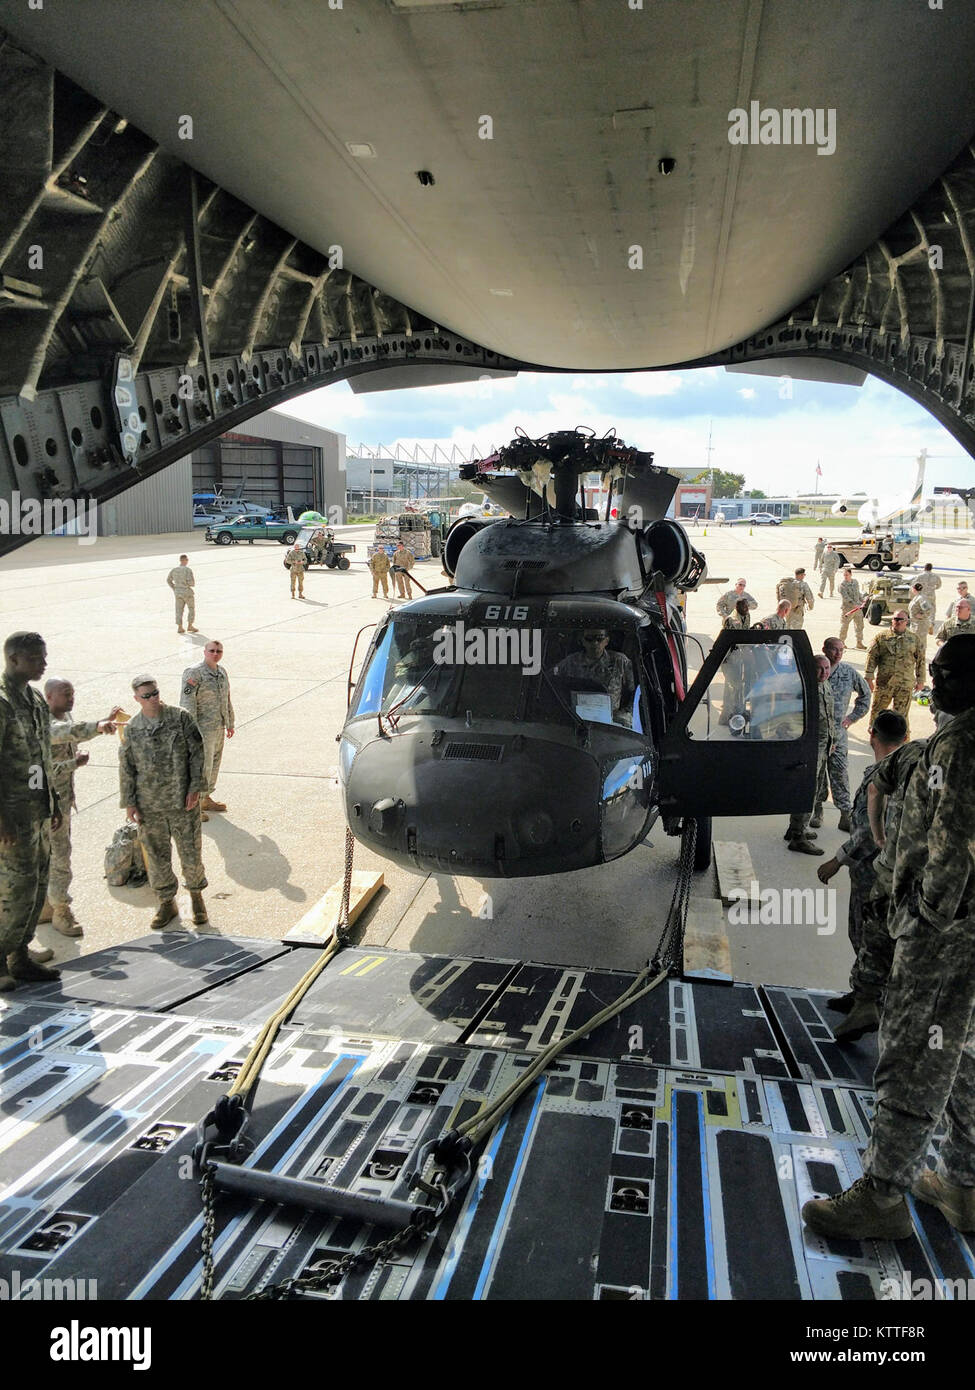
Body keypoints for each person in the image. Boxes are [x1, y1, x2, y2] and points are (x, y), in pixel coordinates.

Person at [802, 636, 975, 1240]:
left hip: (945, 938)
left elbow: (953, 845)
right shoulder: (933, 748)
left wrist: (921, 922)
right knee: (963, 1049)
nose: (936, 682)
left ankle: (882, 1197)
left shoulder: (959, 747)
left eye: (948, 674)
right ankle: (963, 1182)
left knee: (913, 1059)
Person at [815, 711, 909, 1043]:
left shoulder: (883, 775)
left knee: (869, 935)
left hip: (874, 868)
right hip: (883, 867)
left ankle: (869, 1005)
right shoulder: (909, 768)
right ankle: (861, 996)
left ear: (871, 735)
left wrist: (837, 860)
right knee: (867, 934)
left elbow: (871, 828)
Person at [119, 675, 207, 930]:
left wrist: (195, 788)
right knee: (157, 858)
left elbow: (197, 754)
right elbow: (127, 767)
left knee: (191, 853)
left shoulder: (180, 718)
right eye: (146, 696)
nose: (153, 698)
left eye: (155, 693)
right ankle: (166, 901)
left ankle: (196, 897)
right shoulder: (134, 728)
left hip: (183, 803)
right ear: (136, 699)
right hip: (150, 807)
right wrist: (130, 802)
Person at [0, 632, 63, 988]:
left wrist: (49, 801)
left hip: (36, 812)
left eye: (44, 656)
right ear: (13, 660)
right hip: (11, 819)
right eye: (36, 658)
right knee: (12, 889)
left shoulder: (33, 698)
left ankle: (19, 956)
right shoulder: (3, 703)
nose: (43, 663)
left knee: (37, 885)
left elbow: (41, 756)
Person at [41, 679, 121, 938]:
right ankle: (60, 909)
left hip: (61, 799)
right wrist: (75, 762)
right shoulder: (44, 723)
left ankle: (47, 905)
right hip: (47, 803)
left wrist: (102, 721)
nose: (71, 697)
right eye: (66, 694)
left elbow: (71, 729)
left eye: (73, 693)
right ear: (49, 697)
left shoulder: (63, 715)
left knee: (50, 855)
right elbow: (54, 759)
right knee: (59, 855)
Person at [814, 637, 870, 832]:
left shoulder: (848, 672)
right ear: (825, 649)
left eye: (841, 650)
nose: (838, 654)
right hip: (817, 734)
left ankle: (845, 814)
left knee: (839, 773)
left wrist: (851, 718)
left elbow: (865, 695)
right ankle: (817, 809)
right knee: (817, 775)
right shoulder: (816, 669)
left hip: (838, 734)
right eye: (834, 650)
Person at [784, 654, 834, 854]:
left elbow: (829, 717)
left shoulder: (825, 686)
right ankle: (798, 837)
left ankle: (795, 828)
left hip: (823, 746)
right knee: (807, 791)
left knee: (816, 789)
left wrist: (833, 741)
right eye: (819, 669)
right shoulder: (803, 689)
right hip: (809, 748)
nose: (824, 673)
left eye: (827, 668)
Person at [180, 641, 235, 820]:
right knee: (201, 767)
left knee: (214, 764)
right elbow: (187, 703)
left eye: (219, 651)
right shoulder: (194, 673)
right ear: (204, 652)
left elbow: (227, 698)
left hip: (218, 727)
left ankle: (205, 798)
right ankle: (194, 805)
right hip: (202, 729)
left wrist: (230, 722)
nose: (215, 654)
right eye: (211, 651)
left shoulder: (221, 672)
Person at [552, 629, 635, 728]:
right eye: (589, 639)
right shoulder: (570, 662)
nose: (595, 643)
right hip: (576, 721)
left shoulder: (620, 662)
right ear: (582, 641)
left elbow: (634, 693)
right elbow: (550, 681)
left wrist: (625, 714)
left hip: (611, 723)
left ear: (607, 641)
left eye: (599, 639)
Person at [864, 612, 924, 730]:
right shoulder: (881, 637)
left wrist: (920, 680)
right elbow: (872, 657)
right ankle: (875, 733)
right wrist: (868, 677)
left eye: (902, 619)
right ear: (892, 620)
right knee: (878, 711)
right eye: (896, 619)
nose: (898, 621)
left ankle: (901, 738)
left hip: (905, 684)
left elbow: (921, 661)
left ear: (907, 621)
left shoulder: (914, 639)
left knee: (901, 715)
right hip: (884, 683)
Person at [837, 567, 867, 648]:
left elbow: (858, 593)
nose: (845, 577)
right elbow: (846, 597)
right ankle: (841, 642)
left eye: (847, 575)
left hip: (858, 609)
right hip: (848, 609)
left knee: (860, 625)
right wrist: (854, 604)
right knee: (845, 625)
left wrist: (862, 600)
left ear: (851, 574)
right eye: (844, 575)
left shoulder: (855, 582)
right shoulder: (842, 585)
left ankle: (859, 642)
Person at [167, 555, 197, 634]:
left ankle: (180, 627)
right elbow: (191, 582)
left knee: (179, 609)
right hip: (187, 591)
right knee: (191, 608)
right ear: (186, 560)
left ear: (180, 560)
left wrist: (174, 588)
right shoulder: (187, 570)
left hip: (177, 592)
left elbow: (168, 580)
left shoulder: (174, 570)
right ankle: (190, 625)